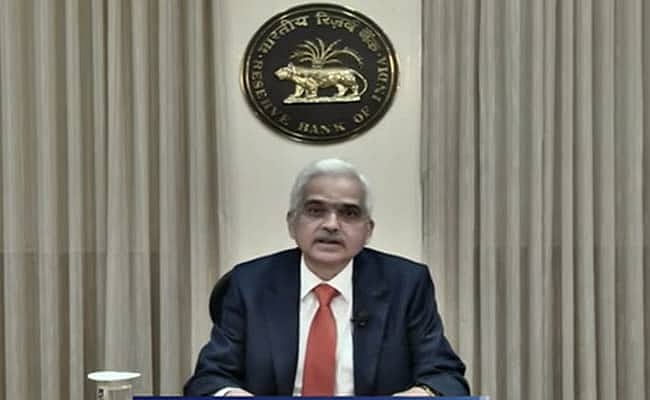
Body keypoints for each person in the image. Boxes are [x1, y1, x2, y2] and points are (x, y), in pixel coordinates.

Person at [184, 158, 469, 397]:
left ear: (368, 230)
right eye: (315, 210)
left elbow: (445, 376)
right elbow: (209, 378)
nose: (331, 225)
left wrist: (422, 394)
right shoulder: (249, 284)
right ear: (292, 223)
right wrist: (230, 395)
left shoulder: (405, 284)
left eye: (349, 213)